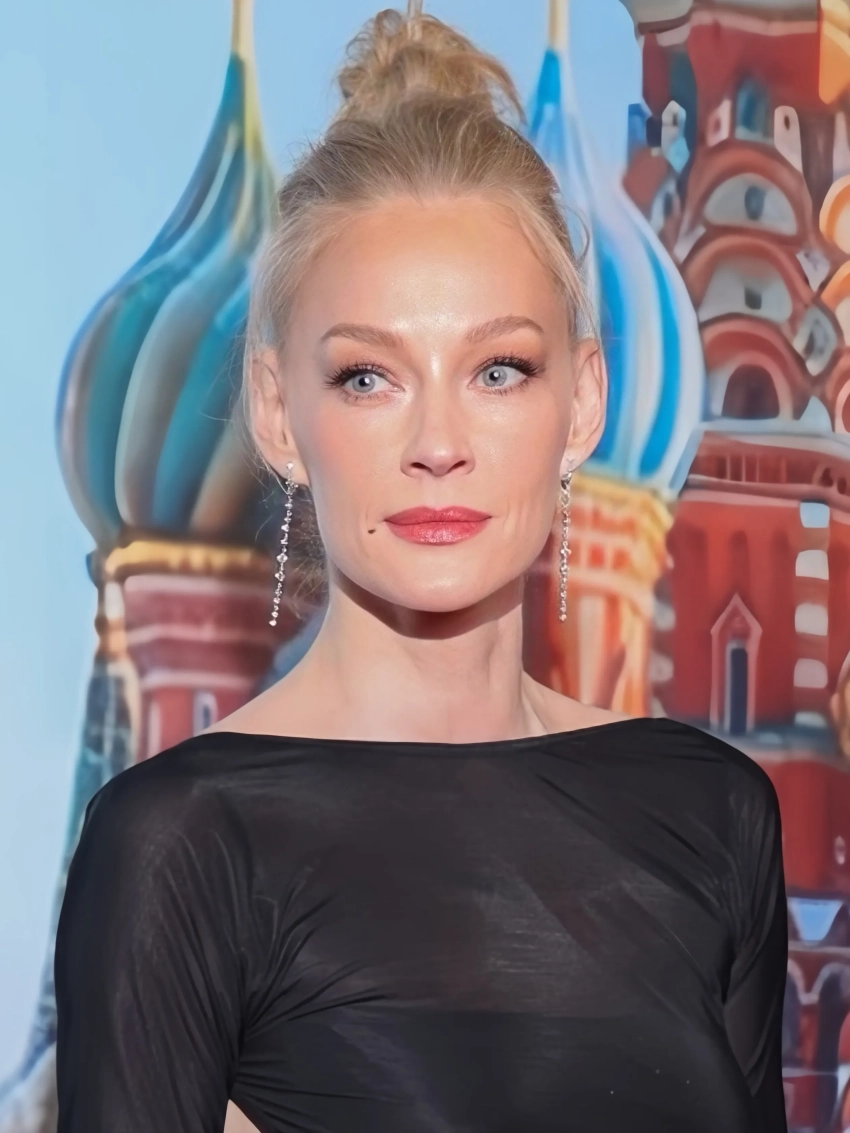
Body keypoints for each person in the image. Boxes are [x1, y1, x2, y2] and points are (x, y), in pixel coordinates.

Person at [53, 5, 789, 1132]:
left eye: (499, 370)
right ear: (277, 413)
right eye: (368, 377)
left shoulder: (713, 815)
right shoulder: (182, 844)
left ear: (583, 403)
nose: (437, 443)